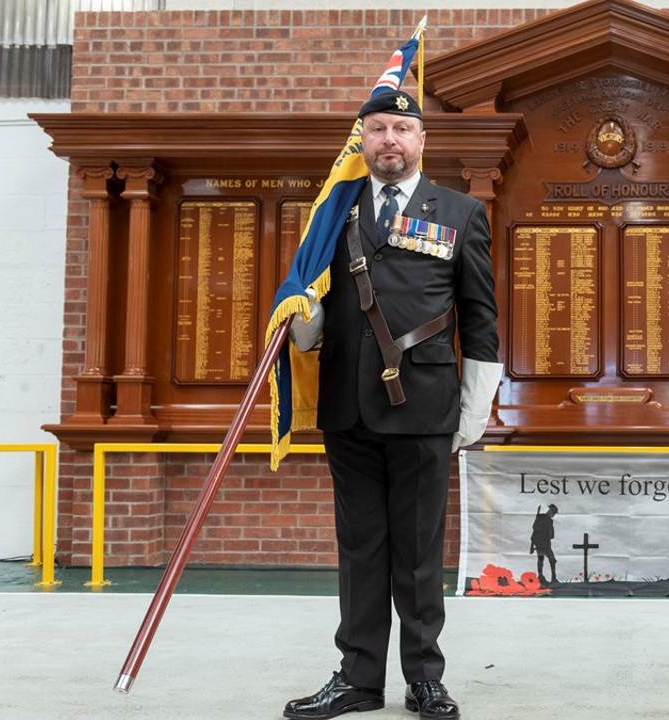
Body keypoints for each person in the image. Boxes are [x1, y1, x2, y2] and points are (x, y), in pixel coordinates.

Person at [284, 88, 502, 720]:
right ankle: (356, 678)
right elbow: (307, 299)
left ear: (420, 140)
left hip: (424, 404)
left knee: (417, 549)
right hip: (348, 406)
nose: (389, 140)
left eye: (401, 128)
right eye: (377, 129)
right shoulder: (334, 211)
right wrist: (302, 318)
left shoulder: (459, 212)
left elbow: (480, 316)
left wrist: (474, 406)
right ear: (363, 140)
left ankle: (424, 678)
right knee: (360, 549)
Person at [530, 504, 559, 585]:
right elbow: (535, 529)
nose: (554, 514)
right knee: (547, 559)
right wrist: (532, 545)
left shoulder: (549, 520)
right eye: (554, 512)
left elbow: (551, 534)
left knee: (545, 559)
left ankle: (550, 577)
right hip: (541, 543)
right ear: (550, 511)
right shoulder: (541, 517)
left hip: (546, 543)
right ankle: (544, 577)